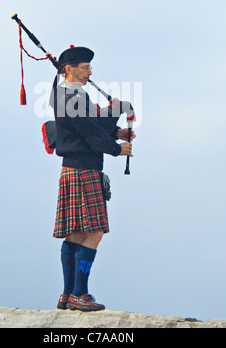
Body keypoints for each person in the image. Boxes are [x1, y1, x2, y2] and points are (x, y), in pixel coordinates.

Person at [50, 45, 135, 311]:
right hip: (83, 169)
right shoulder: (70, 95)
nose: (90, 72)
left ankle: (68, 295)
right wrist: (115, 148)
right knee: (94, 231)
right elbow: (88, 131)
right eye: (85, 67)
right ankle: (79, 293)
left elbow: (90, 125)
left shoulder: (70, 93)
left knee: (77, 232)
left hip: (76, 167)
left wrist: (117, 132)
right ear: (69, 69)